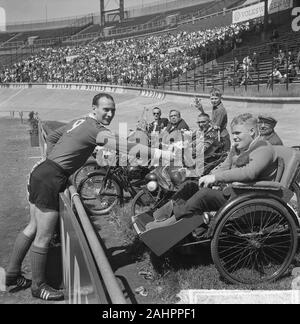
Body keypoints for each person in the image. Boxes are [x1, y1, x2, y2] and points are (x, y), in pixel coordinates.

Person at [5, 93, 117, 301]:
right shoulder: (96, 128)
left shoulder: (80, 121)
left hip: (42, 172)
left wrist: (54, 161)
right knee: (44, 235)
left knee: (33, 226)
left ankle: (12, 273)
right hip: (51, 177)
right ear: (95, 108)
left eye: (112, 110)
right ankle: (38, 287)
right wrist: (160, 153)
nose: (110, 113)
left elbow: (53, 137)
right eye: (105, 109)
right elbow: (122, 145)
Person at [146, 113, 278, 229]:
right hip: (234, 193)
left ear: (252, 132)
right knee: (191, 186)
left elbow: (249, 172)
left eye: (238, 133)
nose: (234, 137)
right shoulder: (239, 148)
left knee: (204, 195)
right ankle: (160, 215)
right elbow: (225, 166)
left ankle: (168, 225)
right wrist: (209, 176)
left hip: (247, 199)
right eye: (233, 134)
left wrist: (216, 178)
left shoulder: (263, 148)